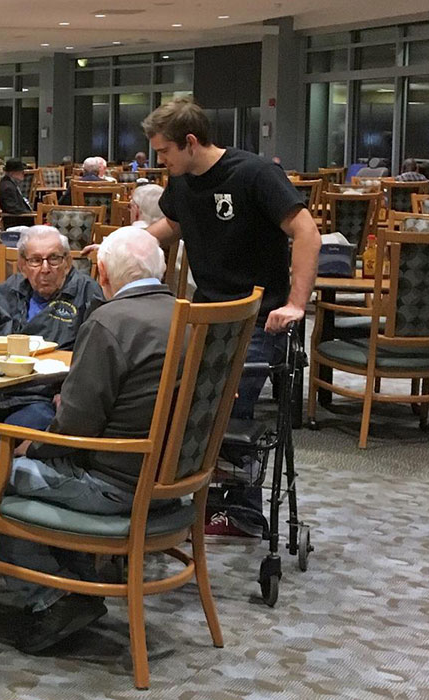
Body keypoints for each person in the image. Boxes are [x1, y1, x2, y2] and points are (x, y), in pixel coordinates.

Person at [0, 226, 177, 654]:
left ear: (101, 272)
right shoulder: (186, 315)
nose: (46, 269)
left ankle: (57, 596)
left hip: (112, 484)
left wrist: (32, 445)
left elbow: (72, 429)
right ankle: (74, 572)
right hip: (174, 484)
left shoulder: (107, 321)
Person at [140, 97, 320, 536]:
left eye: (163, 150)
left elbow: (306, 232)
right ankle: (194, 498)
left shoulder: (254, 174)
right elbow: (170, 228)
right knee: (178, 398)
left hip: (260, 316)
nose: (158, 159)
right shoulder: (182, 183)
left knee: (227, 406)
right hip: (207, 313)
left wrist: (296, 304)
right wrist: (125, 248)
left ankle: (240, 509)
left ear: (190, 142)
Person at [0, 226, 104, 495]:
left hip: (41, 396)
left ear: (68, 262)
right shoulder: (12, 288)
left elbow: (97, 355)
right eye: (36, 260)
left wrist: (69, 393)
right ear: (23, 265)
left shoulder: (87, 294)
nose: (45, 268)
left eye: (54, 259)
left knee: (14, 431)